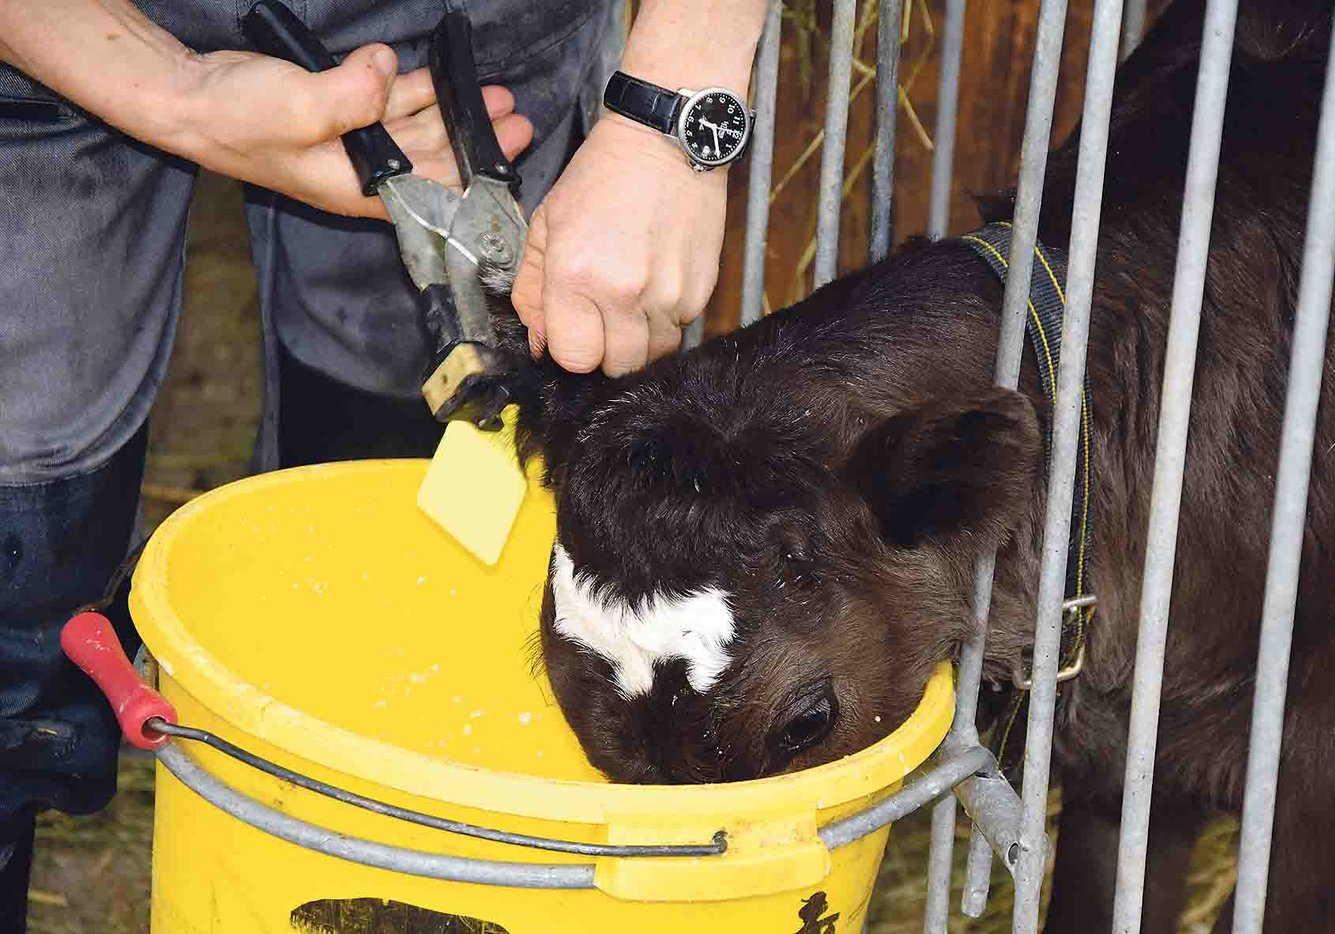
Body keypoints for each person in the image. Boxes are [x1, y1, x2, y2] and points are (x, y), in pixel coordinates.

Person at [0, 0, 766, 926]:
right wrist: (180, 94)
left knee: (393, 530)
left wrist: (671, 108)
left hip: (457, 30)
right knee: (18, 539)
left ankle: (346, 834)